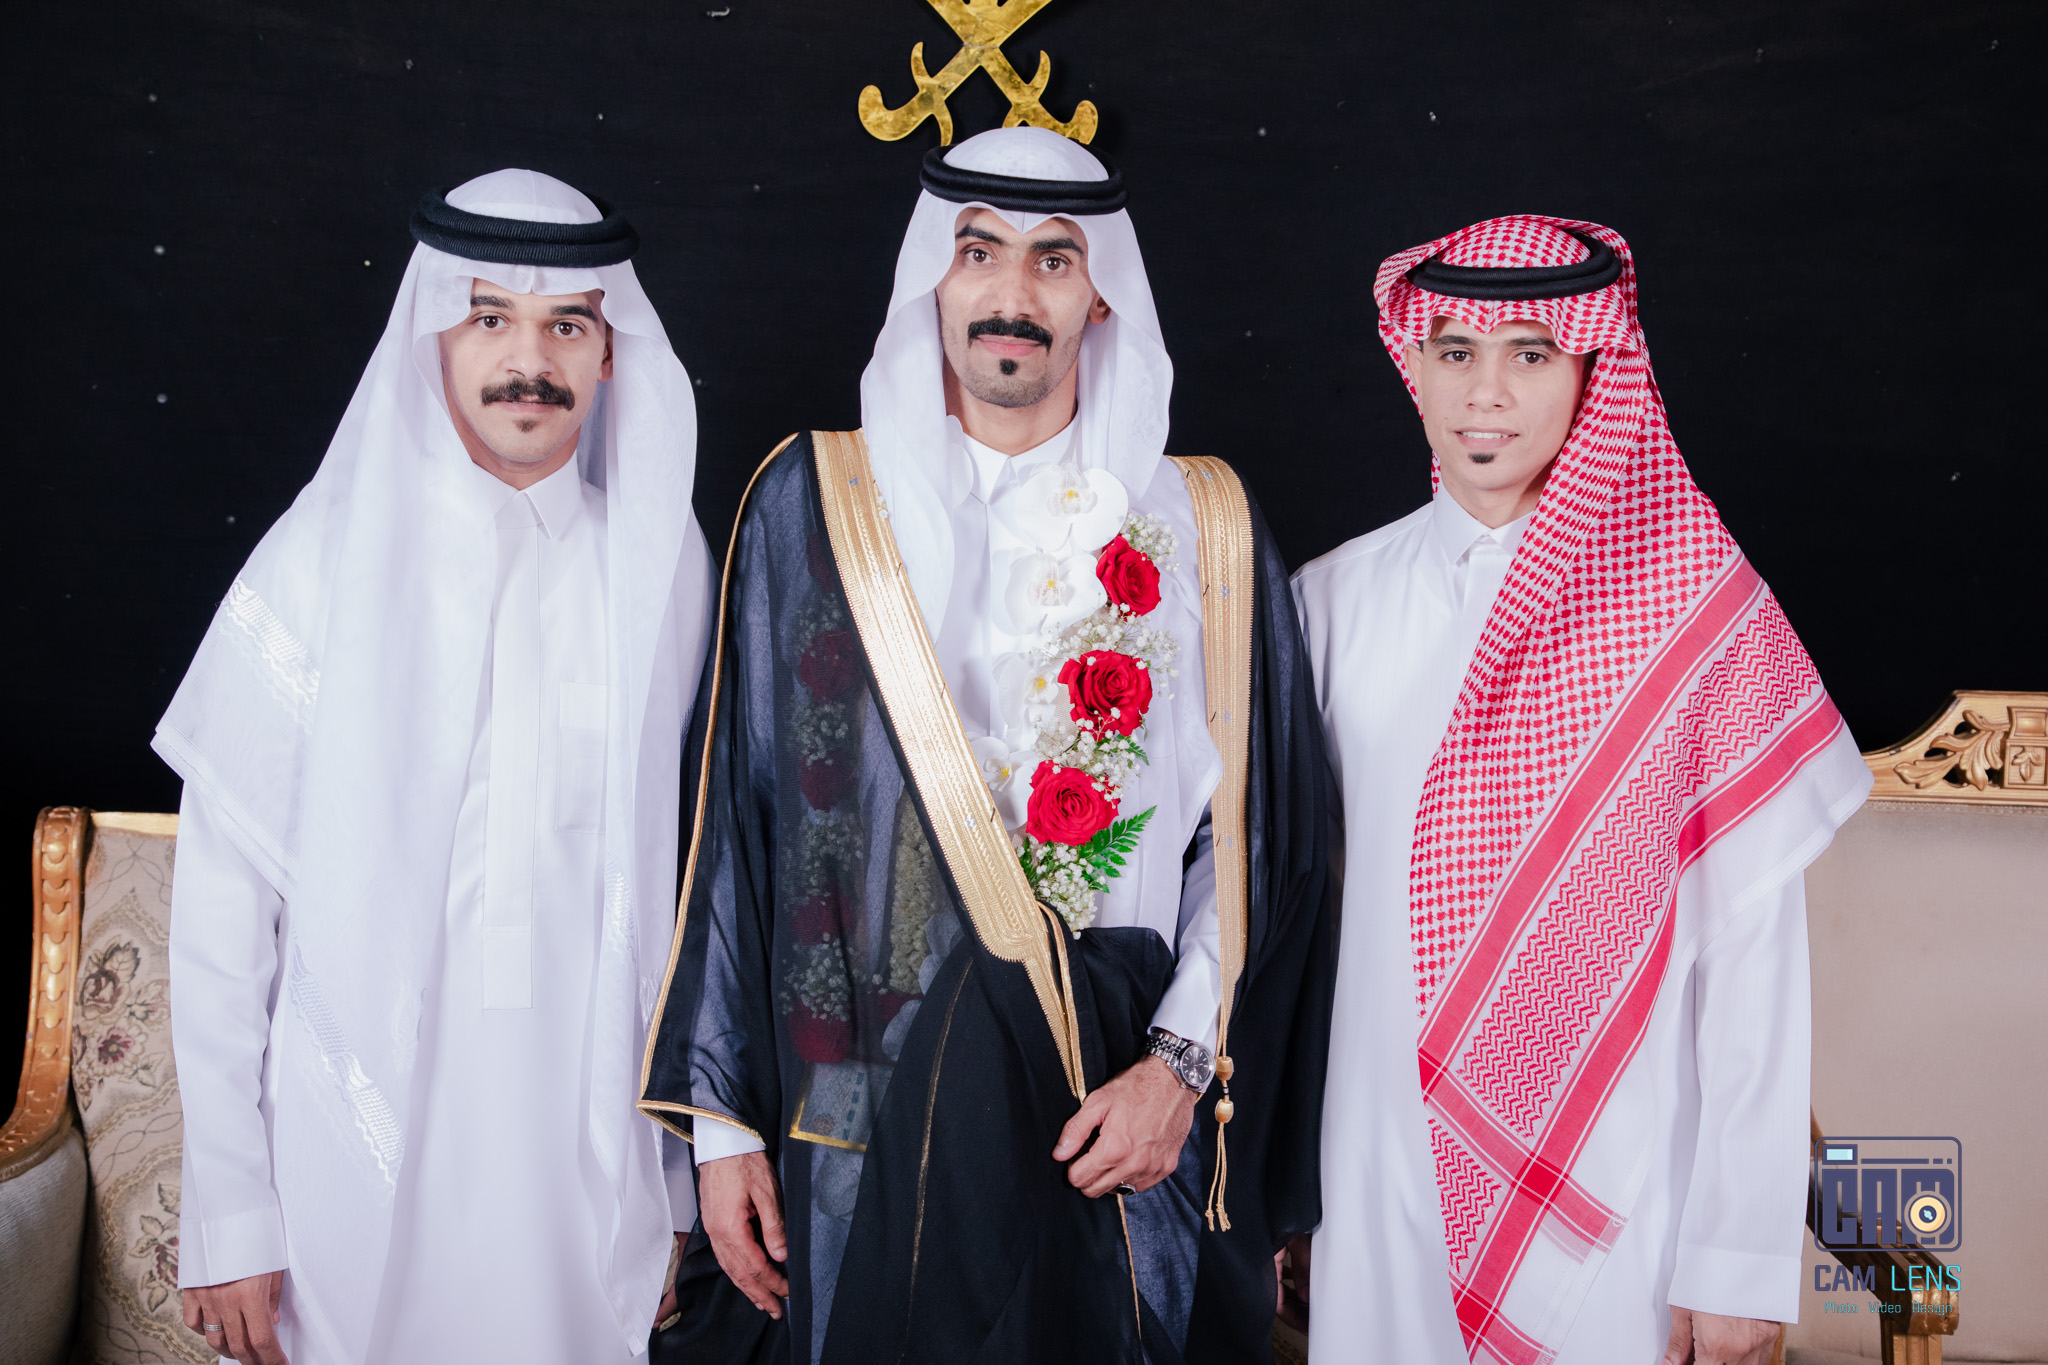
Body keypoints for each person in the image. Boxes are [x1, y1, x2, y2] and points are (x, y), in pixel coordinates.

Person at [639, 127, 1334, 1365]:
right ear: (933, 275)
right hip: (860, 1102)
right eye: (978, 253)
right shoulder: (815, 503)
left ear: (1098, 294)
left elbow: (1253, 845)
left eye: (1052, 260)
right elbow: (738, 826)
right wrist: (726, 1133)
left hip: (1114, 1108)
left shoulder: (1203, 524)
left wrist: (1179, 1069)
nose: (1011, 294)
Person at [156, 169, 716, 1365]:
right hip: (352, 1158)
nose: (529, 361)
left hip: (581, 1157)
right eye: (489, 319)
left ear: (610, 354)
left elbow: (677, 888)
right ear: (433, 338)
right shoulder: (321, 559)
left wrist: (672, 1182)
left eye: (567, 326)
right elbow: (220, 908)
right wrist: (232, 1207)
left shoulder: (660, 568)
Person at [1290, 216, 1871, 1365]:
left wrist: (1734, 1260)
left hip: (1613, 1196)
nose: (1484, 393)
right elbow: (1287, 929)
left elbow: (1753, 968)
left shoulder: (1694, 619)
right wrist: (1273, 1191)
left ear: (1591, 368)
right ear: (1412, 363)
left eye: (1528, 353)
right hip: (1369, 1171)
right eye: (1454, 351)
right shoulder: (1327, 602)